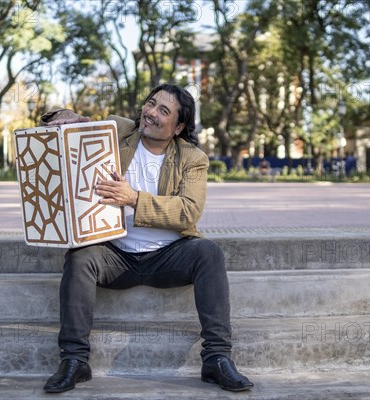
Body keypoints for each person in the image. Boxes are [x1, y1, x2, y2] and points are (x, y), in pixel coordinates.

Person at [41, 84, 254, 394]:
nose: (151, 113)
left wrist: (134, 199)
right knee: (80, 255)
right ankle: (74, 361)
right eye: (151, 103)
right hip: (114, 254)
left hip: (168, 255)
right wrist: (65, 118)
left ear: (179, 127)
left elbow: (188, 212)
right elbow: (79, 124)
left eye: (163, 111)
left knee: (209, 253)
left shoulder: (193, 158)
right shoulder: (120, 131)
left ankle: (217, 359)